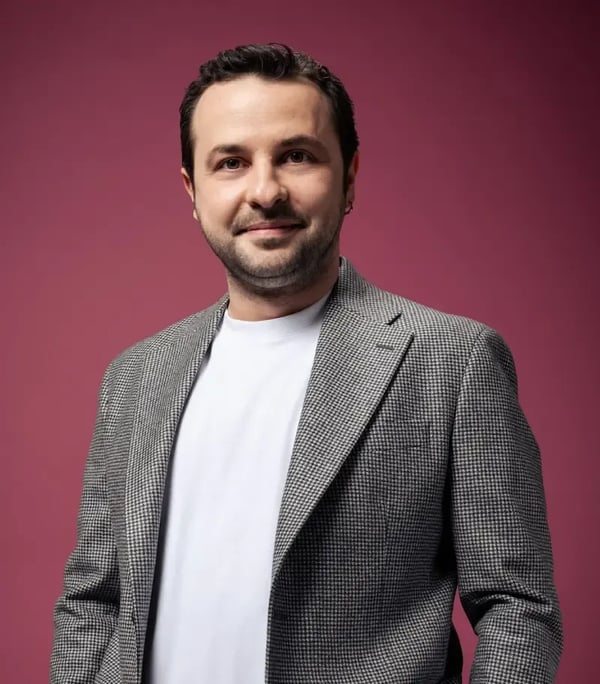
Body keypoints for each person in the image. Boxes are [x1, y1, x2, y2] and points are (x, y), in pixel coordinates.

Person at [51, 43, 562, 684]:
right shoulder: (135, 375)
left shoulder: (455, 362)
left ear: (349, 177)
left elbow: (519, 607)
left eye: (296, 155)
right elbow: (93, 599)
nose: (265, 191)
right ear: (193, 191)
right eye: (231, 163)